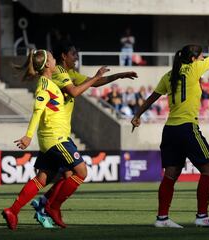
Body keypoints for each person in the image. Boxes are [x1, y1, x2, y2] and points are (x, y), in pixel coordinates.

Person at [131, 27, 209, 228]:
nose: (205, 58)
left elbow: (153, 97)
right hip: (187, 127)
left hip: (170, 130)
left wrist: (137, 115)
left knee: (170, 174)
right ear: (194, 59)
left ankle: (162, 218)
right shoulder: (195, 69)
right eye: (202, 55)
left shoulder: (169, 75)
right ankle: (202, 216)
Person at [30, 40, 138, 227]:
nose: (76, 57)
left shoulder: (69, 73)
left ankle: (42, 205)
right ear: (64, 56)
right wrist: (96, 77)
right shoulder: (59, 72)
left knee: (63, 174)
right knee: (72, 172)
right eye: (73, 54)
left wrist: (120, 75)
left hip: (58, 132)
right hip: (55, 132)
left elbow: (96, 82)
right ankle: (44, 206)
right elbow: (73, 92)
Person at [1, 49, 107, 230]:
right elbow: (37, 111)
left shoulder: (49, 82)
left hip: (53, 138)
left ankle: (13, 210)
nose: (54, 59)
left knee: (42, 179)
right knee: (81, 172)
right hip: (55, 138)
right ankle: (53, 207)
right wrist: (28, 136)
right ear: (48, 65)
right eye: (51, 57)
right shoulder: (44, 85)